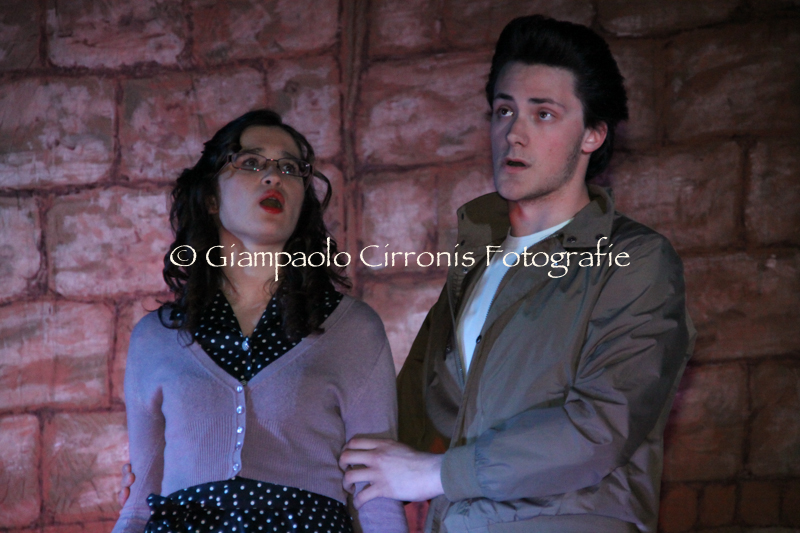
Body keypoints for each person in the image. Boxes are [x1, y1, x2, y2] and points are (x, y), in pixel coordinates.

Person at [338, 15, 695, 533]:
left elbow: (601, 427)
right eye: (504, 110)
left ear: (593, 134)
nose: (514, 134)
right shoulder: (475, 264)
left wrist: (437, 473)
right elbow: (403, 418)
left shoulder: (636, 260)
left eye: (544, 114)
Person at [113, 109, 407, 533]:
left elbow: (378, 496)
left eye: (290, 168)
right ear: (211, 198)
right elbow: (140, 501)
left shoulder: (353, 329)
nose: (273, 177)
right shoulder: (155, 337)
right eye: (251, 162)